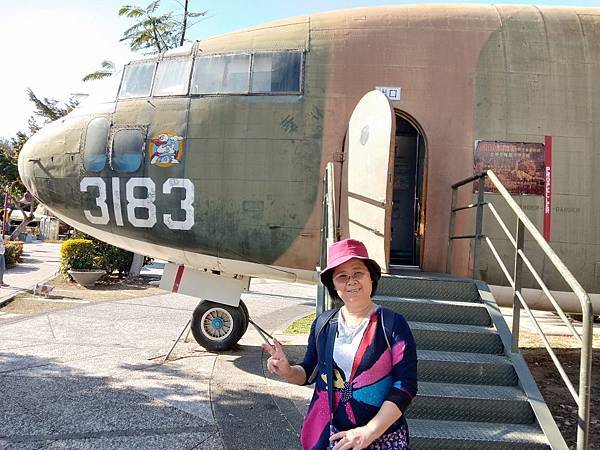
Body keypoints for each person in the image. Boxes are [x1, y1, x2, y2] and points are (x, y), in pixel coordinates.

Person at [263, 238, 417, 450]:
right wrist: (287, 370)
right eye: (342, 276)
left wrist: (368, 432)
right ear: (334, 286)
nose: (351, 281)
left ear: (371, 277)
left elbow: (405, 385)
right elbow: (308, 372)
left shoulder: (392, 324)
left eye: (358, 273)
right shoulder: (324, 324)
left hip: (382, 438)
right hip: (332, 437)